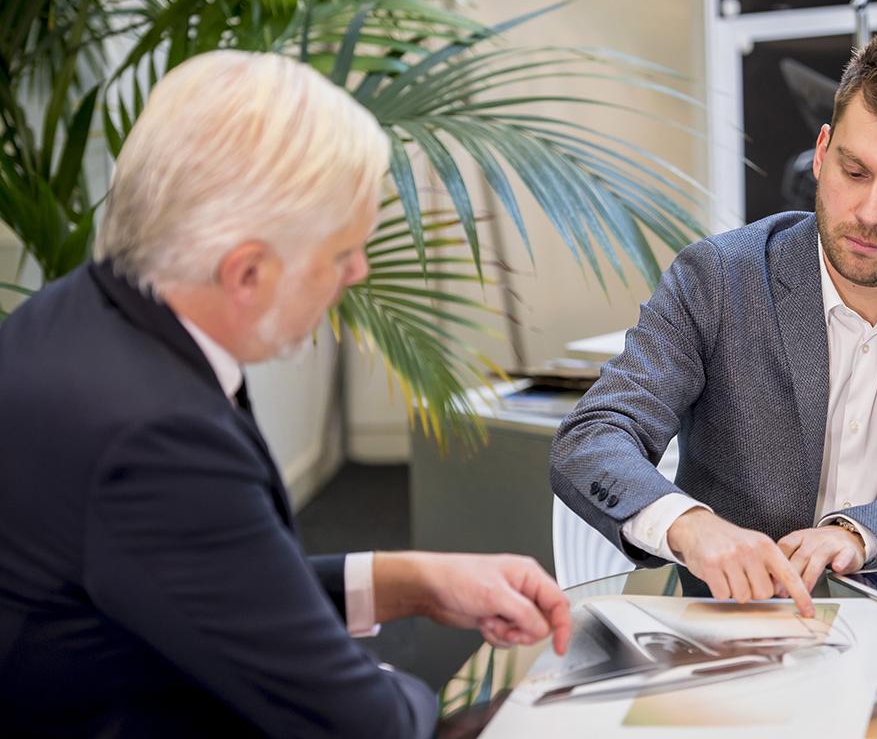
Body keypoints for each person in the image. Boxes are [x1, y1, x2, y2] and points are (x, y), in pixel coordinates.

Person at [0, 50, 570, 737]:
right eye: (339, 254)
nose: (358, 272)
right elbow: (361, 725)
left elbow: (211, 580)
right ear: (246, 272)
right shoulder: (156, 435)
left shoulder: (83, 315)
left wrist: (409, 579)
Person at [550, 30, 877, 610]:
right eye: (854, 173)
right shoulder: (720, 278)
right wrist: (690, 526)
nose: (870, 213)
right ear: (821, 153)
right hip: (739, 636)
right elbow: (593, 436)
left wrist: (860, 534)